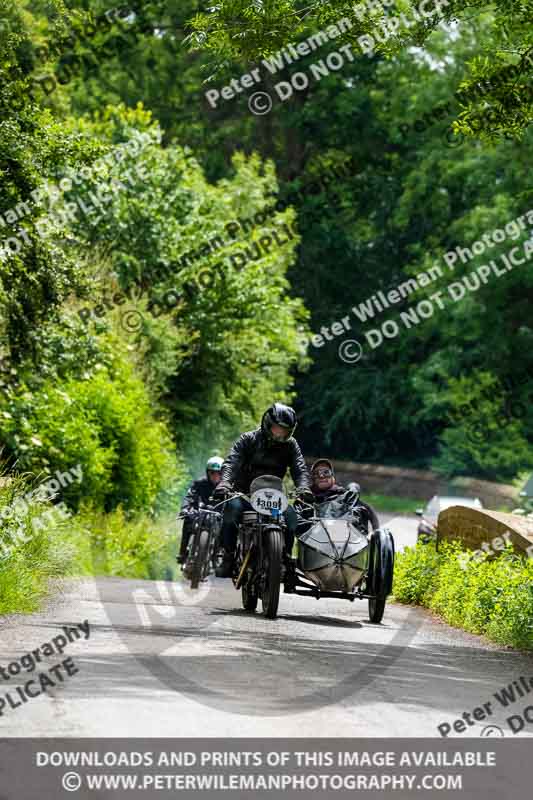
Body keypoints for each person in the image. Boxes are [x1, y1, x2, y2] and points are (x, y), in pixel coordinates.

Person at [212, 403, 312, 577]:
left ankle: (285, 559)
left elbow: (299, 468)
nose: (280, 433)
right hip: (245, 495)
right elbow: (232, 462)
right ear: (267, 423)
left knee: (291, 517)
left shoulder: (291, 445)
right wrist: (225, 483)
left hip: (274, 498)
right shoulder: (248, 439)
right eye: (277, 428)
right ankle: (228, 556)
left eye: (284, 430)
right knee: (231, 510)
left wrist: (303, 487)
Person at [177, 455, 224, 564]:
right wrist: (185, 509)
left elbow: (230, 502)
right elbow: (189, 496)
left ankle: (217, 555)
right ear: (208, 472)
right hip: (200, 512)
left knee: (226, 528)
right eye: (212, 472)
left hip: (218, 515)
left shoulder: (226, 486)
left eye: (219, 473)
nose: (215, 476)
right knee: (187, 520)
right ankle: (182, 552)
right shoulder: (199, 483)